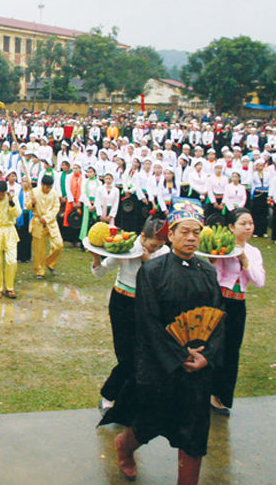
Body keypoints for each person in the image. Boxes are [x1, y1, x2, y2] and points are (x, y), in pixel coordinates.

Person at [110, 198, 224, 484]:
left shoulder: (209, 273)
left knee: (195, 432)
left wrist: (206, 356)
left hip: (198, 368)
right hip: (161, 367)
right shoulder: (152, 272)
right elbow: (147, 322)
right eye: (184, 231)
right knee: (150, 421)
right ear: (170, 235)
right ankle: (125, 445)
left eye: (196, 232)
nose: (190, 238)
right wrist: (178, 356)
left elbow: (219, 319)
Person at [92, 219, 168, 417]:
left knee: (142, 356)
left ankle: (128, 400)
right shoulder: (126, 246)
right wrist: (96, 259)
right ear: (143, 237)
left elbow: (161, 280)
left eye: (159, 246)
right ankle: (108, 397)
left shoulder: (164, 253)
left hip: (146, 305)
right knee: (126, 356)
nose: (155, 249)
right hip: (122, 303)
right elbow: (100, 273)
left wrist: (147, 259)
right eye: (152, 245)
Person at [211, 208, 266, 415]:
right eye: (243, 224)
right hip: (220, 302)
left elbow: (259, 282)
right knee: (212, 348)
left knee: (231, 351)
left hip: (238, 305)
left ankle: (220, 397)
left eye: (250, 223)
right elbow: (215, 276)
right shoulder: (222, 248)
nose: (248, 228)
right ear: (231, 227)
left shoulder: (253, 252)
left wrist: (244, 260)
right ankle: (204, 392)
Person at [27, 173, 63, 279]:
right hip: (38, 222)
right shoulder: (34, 192)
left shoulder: (54, 193)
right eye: (47, 187)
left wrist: (47, 218)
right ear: (42, 184)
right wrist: (32, 203)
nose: (48, 189)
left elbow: (56, 207)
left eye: (50, 187)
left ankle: (50, 263)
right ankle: (39, 271)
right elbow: (27, 206)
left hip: (51, 222)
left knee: (58, 244)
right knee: (39, 249)